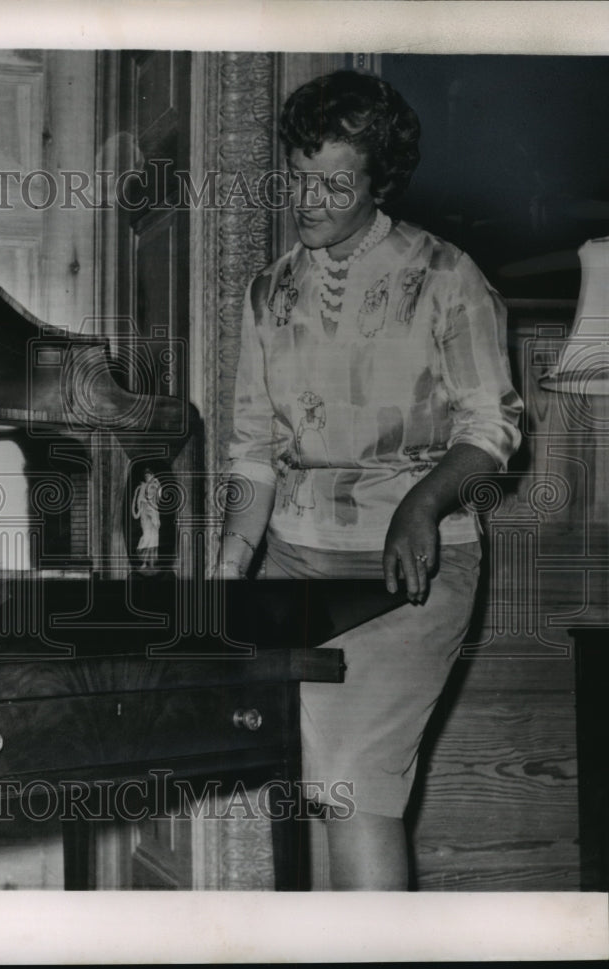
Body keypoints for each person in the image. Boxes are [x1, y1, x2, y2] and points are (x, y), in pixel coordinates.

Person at [218, 70, 523, 890]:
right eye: (297, 177)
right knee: (261, 765)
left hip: (409, 571)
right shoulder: (266, 295)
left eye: (334, 182)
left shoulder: (448, 277)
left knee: (353, 782)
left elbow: (491, 428)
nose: (307, 198)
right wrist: (223, 577)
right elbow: (253, 449)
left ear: (378, 179)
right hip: (294, 560)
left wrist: (424, 502)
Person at [132, 467, 162, 569]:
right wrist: (142, 506)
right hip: (145, 513)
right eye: (146, 476)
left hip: (154, 513)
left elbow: (159, 498)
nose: (147, 477)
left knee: (153, 538)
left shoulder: (155, 486)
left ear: (152, 476)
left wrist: (158, 486)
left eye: (149, 475)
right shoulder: (143, 486)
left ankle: (151, 563)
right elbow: (139, 500)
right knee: (146, 537)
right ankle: (144, 562)